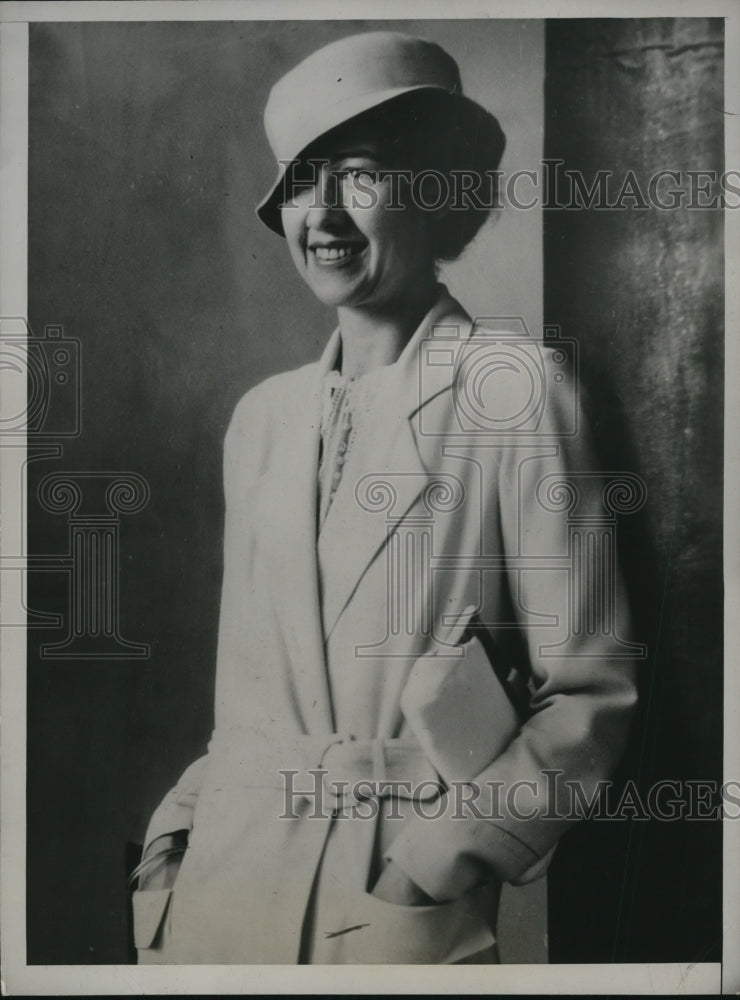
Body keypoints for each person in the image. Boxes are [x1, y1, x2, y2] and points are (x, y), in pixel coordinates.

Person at [131, 30, 638, 965]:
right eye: (299, 181)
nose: (319, 213)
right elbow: (244, 702)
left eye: (358, 174)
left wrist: (433, 864)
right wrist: (170, 844)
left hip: (385, 901)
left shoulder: (517, 390)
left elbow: (588, 700)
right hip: (216, 893)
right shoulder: (263, 420)